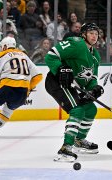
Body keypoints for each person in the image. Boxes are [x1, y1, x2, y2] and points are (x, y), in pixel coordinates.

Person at [45, 22, 104, 162]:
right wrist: (61, 69)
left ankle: (79, 140)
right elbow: (51, 55)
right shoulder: (77, 43)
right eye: (91, 33)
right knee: (77, 110)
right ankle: (66, 147)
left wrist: (94, 89)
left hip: (73, 85)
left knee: (90, 110)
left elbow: (92, 78)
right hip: (57, 82)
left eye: (96, 34)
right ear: (83, 34)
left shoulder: (95, 55)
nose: (94, 36)